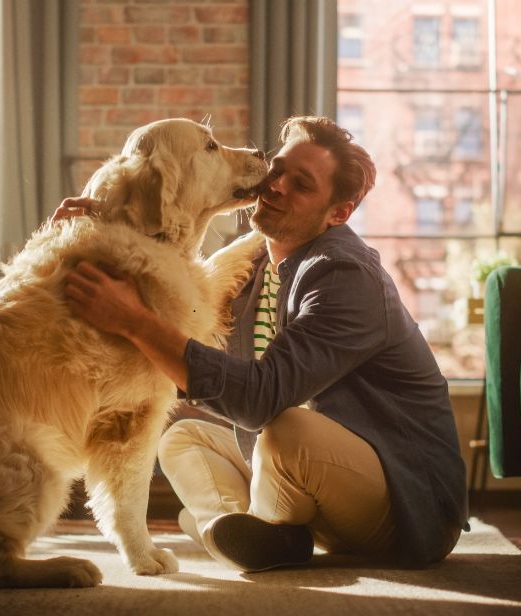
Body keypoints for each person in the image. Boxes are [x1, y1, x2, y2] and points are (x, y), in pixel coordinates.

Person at [59, 116, 469, 573]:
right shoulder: (252, 263)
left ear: (339, 213)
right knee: (183, 438)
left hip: (403, 506)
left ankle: (247, 527)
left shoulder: (344, 276)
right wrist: (103, 220)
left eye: (302, 185)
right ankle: (238, 530)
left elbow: (258, 399)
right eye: (278, 169)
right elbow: (175, 333)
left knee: (287, 428)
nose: (275, 186)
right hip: (316, 485)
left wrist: (133, 321)